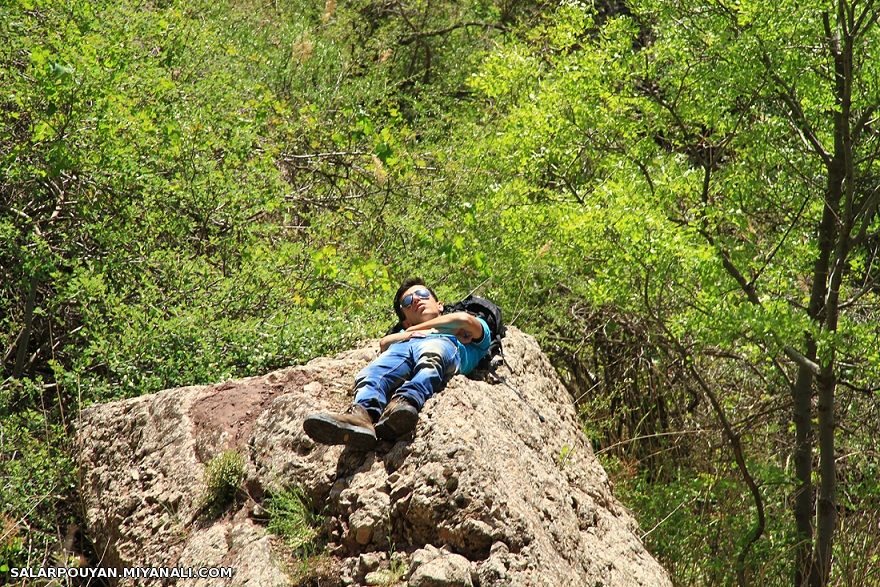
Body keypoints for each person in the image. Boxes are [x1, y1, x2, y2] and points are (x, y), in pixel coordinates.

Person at [303, 277, 491, 450]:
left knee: (432, 355)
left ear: (440, 305)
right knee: (373, 372)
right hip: (405, 346)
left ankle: (405, 403)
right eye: (408, 302)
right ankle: (361, 416)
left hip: (442, 344)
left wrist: (418, 329)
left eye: (422, 294)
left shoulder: (463, 334)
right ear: (405, 320)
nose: (416, 299)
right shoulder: (404, 336)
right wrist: (408, 334)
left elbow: (464, 320)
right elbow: (384, 343)